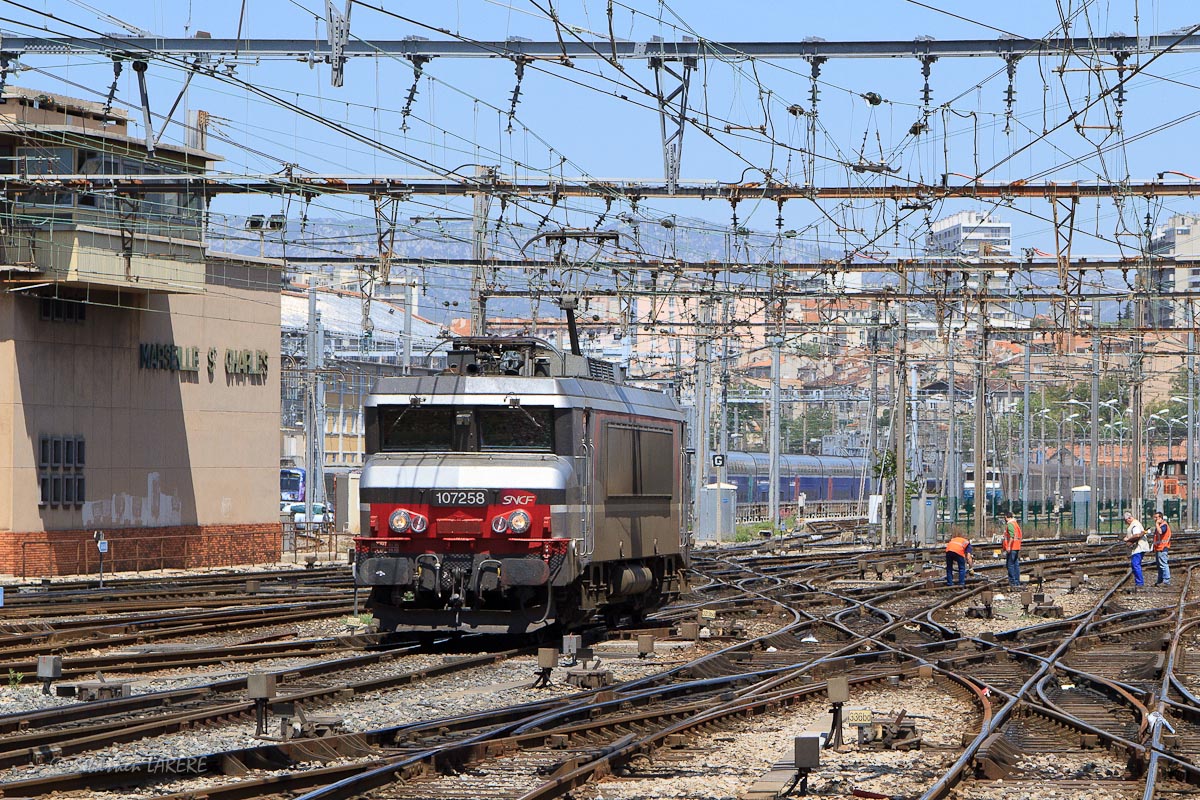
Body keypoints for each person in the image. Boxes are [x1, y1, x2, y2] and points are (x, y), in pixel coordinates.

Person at [1123, 511, 1152, 589]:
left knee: (1135, 564)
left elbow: (1137, 535)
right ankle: (1138, 582)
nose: (1126, 522)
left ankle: (1139, 583)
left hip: (1138, 547)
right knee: (1135, 564)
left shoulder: (1135, 525)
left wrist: (1128, 540)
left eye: (1126, 521)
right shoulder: (1134, 524)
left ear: (1129, 518)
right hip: (1138, 547)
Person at [1002, 511, 1023, 587]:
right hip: (1016, 547)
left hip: (1012, 547)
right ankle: (1017, 582)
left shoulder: (1010, 524)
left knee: (1010, 565)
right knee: (1015, 565)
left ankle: (1013, 582)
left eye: (1005, 518)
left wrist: (1008, 546)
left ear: (1006, 517)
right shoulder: (1015, 524)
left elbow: (1012, 536)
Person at [1152, 511, 1172, 586]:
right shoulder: (1160, 525)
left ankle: (1166, 581)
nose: (1154, 519)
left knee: (1163, 564)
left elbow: (1161, 532)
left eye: (1156, 517)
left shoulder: (1164, 525)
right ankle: (1160, 580)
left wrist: (1157, 524)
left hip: (1163, 547)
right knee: (1159, 565)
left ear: (1160, 518)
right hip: (1158, 548)